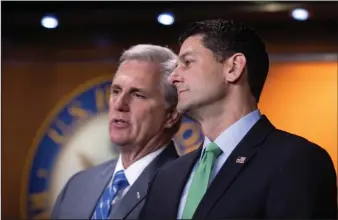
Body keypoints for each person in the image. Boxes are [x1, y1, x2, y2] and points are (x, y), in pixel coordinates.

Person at [139, 19, 337, 219]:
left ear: (233, 67)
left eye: (187, 63)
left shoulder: (296, 162)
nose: (173, 77)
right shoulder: (166, 177)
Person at [51, 44, 181, 219]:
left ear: (171, 115)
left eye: (138, 95)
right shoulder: (77, 186)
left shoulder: (183, 190)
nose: (119, 104)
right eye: (116, 91)